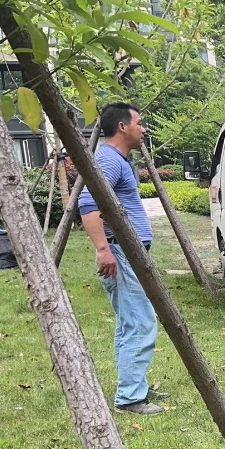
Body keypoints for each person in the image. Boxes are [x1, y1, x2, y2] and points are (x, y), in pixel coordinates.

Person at [78, 103, 166, 415]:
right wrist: (104, 249)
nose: (144, 129)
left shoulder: (116, 159)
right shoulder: (108, 159)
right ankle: (130, 397)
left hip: (126, 252)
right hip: (119, 251)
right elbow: (88, 206)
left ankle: (133, 387)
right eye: (139, 123)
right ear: (123, 127)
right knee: (140, 322)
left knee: (129, 322)